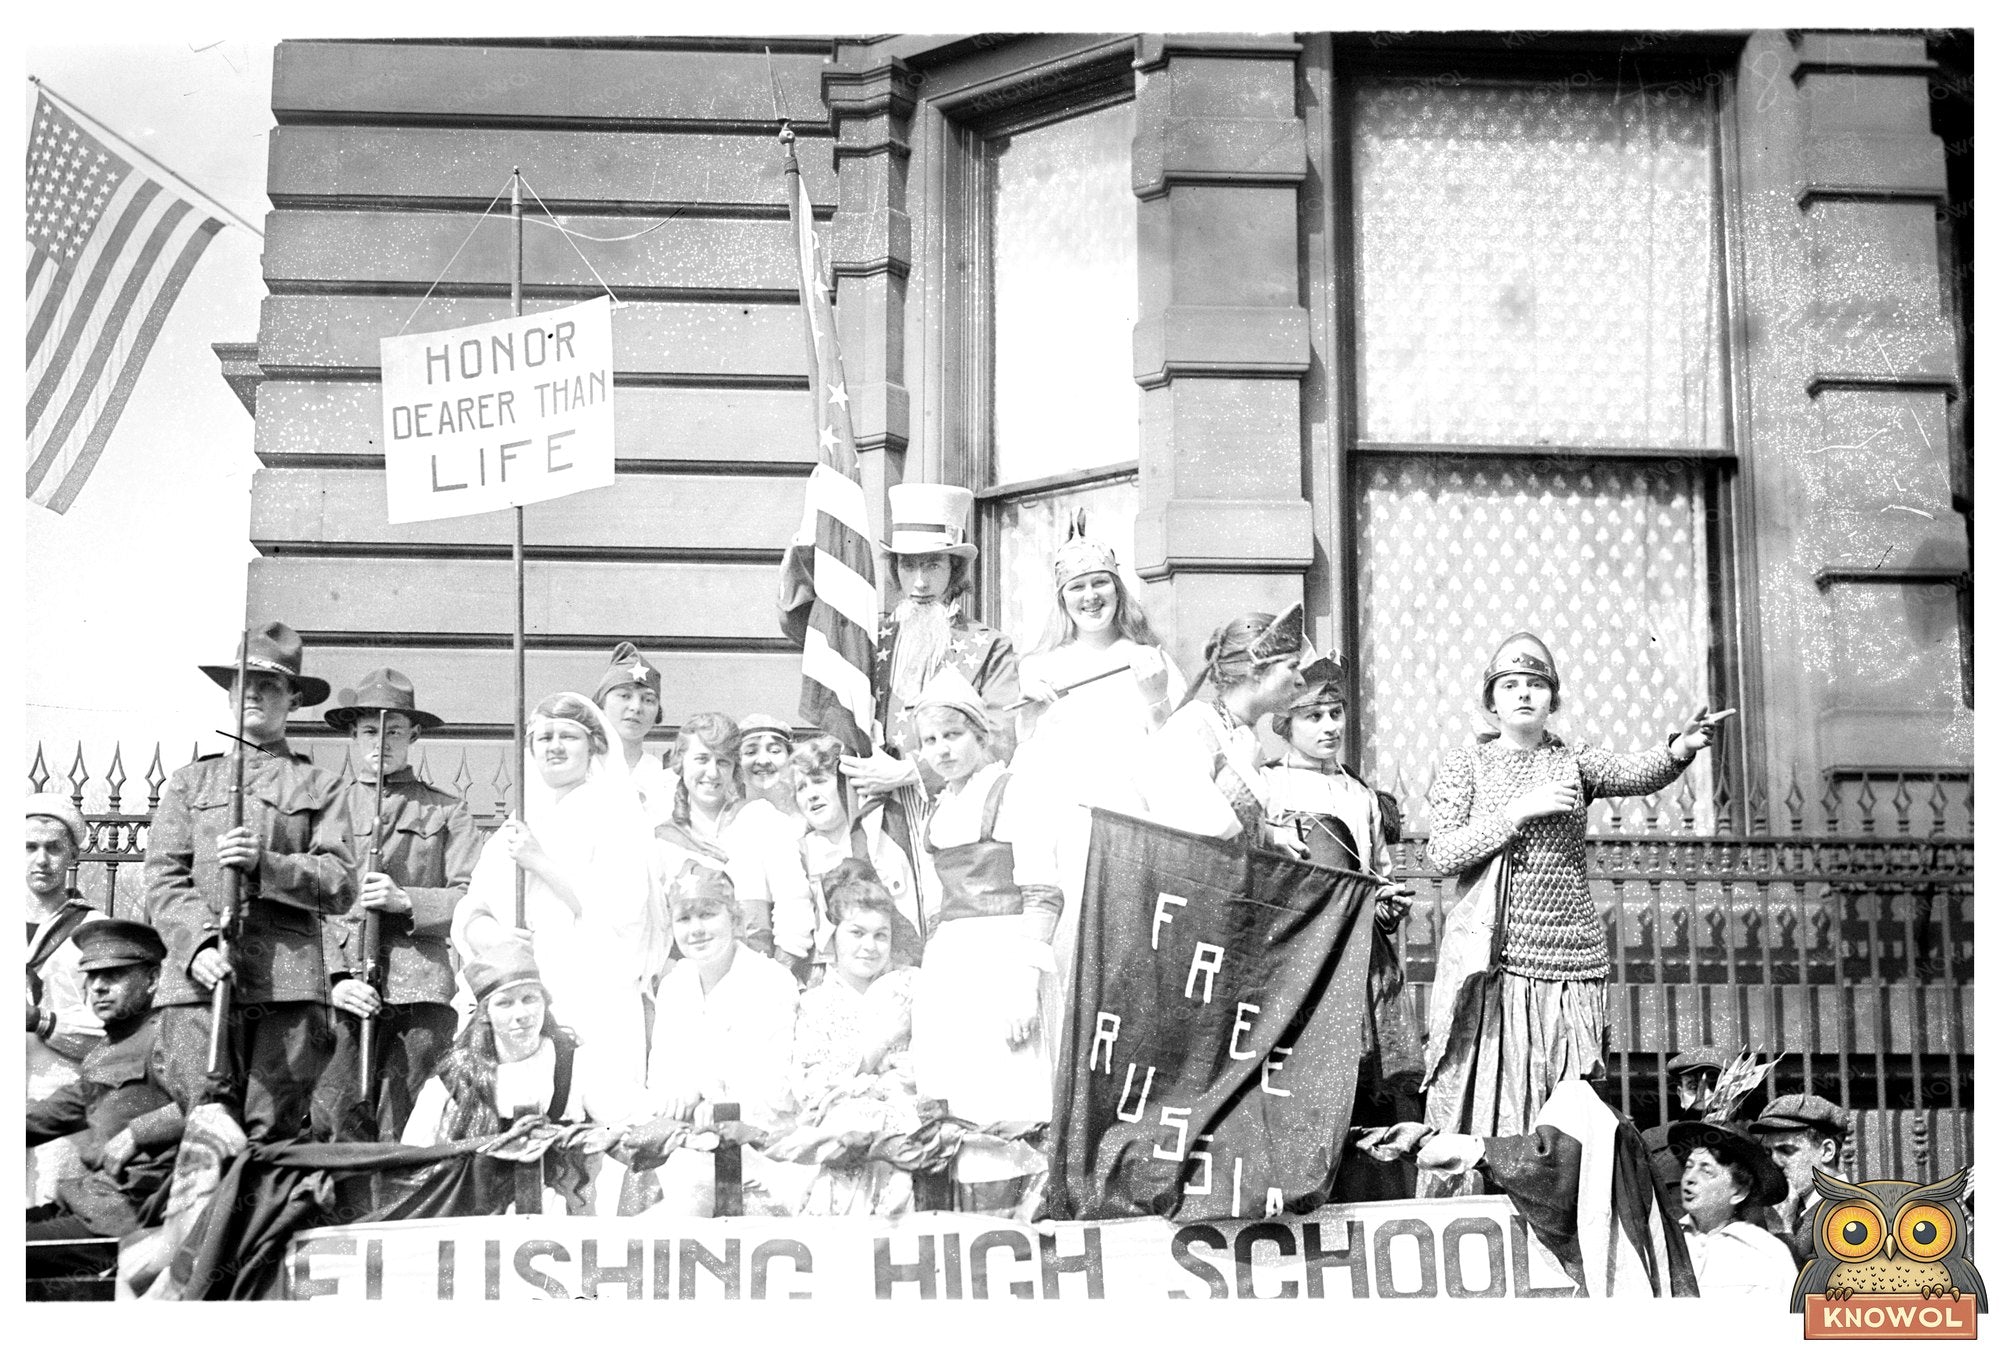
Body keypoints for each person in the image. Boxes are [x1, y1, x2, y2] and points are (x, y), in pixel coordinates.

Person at [1421, 631, 1731, 1188]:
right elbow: (1442, 852)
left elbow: (1635, 772)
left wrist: (1680, 749)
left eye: (1536, 685)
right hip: (1495, 960)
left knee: (1562, 1103)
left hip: (1570, 959)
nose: (1523, 695)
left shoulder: (1574, 759)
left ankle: (1560, 1212)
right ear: (1491, 703)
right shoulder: (1468, 764)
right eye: (1510, 686)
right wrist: (1518, 811)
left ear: (1552, 699)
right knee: (1493, 1094)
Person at [144, 621, 355, 1142]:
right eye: (243, 683)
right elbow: (162, 876)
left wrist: (269, 864)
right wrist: (197, 946)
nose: (254, 694)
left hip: (287, 986)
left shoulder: (319, 785)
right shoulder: (191, 782)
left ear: (294, 700)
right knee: (203, 1130)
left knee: (269, 1136)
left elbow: (340, 879)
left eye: (271, 685)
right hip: (198, 985)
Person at [1008, 515, 1184, 1044]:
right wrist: (1032, 710)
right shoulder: (1041, 667)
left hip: (1133, 826)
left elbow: (1175, 754)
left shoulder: (1148, 659)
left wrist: (1155, 696)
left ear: (1118, 590)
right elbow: (1028, 765)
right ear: (1062, 601)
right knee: (1069, 956)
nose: (1090, 597)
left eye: (1100, 584)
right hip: (1069, 833)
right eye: (1077, 588)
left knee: (1133, 959)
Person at [452, 693, 659, 1129]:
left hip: (590, 991)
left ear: (594, 747)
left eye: (568, 736)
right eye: (544, 737)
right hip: (523, 992)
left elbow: (625, 913)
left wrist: (541, 862)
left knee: (598, 1116)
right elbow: (475, 905)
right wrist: (491, 936)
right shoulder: (520, 818)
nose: (555, 746)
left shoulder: (615, 815)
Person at [1261, 654, 1421, 1198]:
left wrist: (1386, 903)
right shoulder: (1268, 788)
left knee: (1367, 1082)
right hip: (1301, 955)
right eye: (1313, 717)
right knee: (1304, 1076)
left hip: (1362, 955)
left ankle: (1368, 1193)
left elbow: (1379, 871)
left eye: (1335, 713)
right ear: (1285, 724)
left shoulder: (1361, 795)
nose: (1330, 726)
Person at [907, 670, 1063, 1213]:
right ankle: (969, 1231)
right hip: (953, 963)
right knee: (957, 1097)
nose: (941, 750)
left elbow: (1043, 895)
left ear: (980, 734)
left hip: (1004, 958)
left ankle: (1016, 1223)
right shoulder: (941, 806)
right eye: (929, 740)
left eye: (953, 735)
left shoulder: (1012, 790)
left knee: (1007, 1095)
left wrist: (1023, 985)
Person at [838, 484, 1021, 917]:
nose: (919, 582)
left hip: (954, 811)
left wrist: (911, 771)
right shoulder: (871, 638)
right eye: (908, 566)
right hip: (877, 815)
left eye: (933, 565)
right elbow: (809, 634)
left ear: (954, 569)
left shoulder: (988, 647)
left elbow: (1000, 738)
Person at [313, 669, 480, 1142]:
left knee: (407, 1113)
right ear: (353, 734)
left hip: (418, 989)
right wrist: (334, 980)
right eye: (369, 731)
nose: (381, 742)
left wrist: (405, 899)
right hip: (345, 987)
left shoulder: (446, 810)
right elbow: (304, 902)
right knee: (333, 1112)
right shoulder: (326, 808)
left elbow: (473, 898)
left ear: (414, 736)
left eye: (394, 732)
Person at [630, 863, 800, 1215]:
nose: (696, 930)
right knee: (629, 1186)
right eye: (684, 919)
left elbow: (774, 1089)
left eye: (708, 914)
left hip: (761, 1150)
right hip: (690, 1144)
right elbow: (662, 1078)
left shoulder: (771, 981)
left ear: (734, 919)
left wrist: (703, 1093)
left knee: (683, 1199)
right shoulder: (676, 986)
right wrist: (678, 1098)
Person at [26, 920, 186, 1277]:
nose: (97, 986)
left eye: (113, 975)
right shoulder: (103, 1052)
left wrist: (137, 1133)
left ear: (153, 979)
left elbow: (214, 1105)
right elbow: (49, 1114)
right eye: (91, 976)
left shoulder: (170, 1036)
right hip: (87, 1206)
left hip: (129, 1221)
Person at [772, 874, 922, 1215]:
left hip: (905, 1122)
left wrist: (919, 1070)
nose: (869, 946)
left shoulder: (909, 987)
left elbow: (936, 1055)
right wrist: (880, 1043)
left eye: (880, 936)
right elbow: (812, 1087)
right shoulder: (816, 1003)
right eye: (857, 933)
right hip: (842, 1130)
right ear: (833, 937)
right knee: (849, 1137)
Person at [1140, 603, 1313, 849]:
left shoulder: (1241, 734)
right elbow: (1191, 832)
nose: (1301, 681)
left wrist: (1271, 836)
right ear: (1256, 671)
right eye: (1292, 667)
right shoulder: (1191, 729)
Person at [654, 712, 813, 975]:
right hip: (689, 985)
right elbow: (657, 926)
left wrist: (778, 975)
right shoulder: (662, 838)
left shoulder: (760, 818)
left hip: (760, 978)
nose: (712, 773)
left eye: (723, 762)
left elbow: (793, 903)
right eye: (702, 759)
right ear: (681, 763)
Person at [401, 940, 586, 1145]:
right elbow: (413, 1158)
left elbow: (616, 1131)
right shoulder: (453, 1078)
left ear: (545, 1002)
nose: (521, 1014)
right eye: (504, 1003)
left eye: (529, 999)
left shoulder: (574, 1062)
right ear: (485, 1014)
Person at [789, 734, 922, 976]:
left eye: (820, 781)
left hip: (883, 965)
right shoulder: (797, 852)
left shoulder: (878, 842)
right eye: (801, 788)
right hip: (825, 972)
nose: (811, 795)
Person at [26, 792, 103, 1204]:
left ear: (73, 853)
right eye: (29, 847)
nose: (41, 859)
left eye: (53, 848)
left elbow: (112, 1033)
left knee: (48, 1217)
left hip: (60, 1098)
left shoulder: (95, 930)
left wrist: (41, 1020)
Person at [1670, 1119, 1798, 1297]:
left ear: (1739, 1191)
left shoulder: (1766, 1252)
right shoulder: (1666, 1240)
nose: (1689, 1178)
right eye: (1688, 1167)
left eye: (1706, 1171)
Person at [1748, 1092, 1851, 1265]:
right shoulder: (1792, 1209)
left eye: (1786, 1150)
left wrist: (1781, 1230)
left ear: (1826, 1151)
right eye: (1769, 1152)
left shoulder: (1849, 1213)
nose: (1774, 1162)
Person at [1642, 1046, 1730, 1223]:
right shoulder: (1653, 1141)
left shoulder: (1753, 1139)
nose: (1705, 1097)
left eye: (1714, 1086)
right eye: (1693, 1087)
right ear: (1681, 1096)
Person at [593, 642, 676, 827]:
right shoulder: (580, 767)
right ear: (601, 705)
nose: (636, 707)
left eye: (648, 699)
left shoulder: (666, 779)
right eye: (624, 696)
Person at [739, 714, 801, 818]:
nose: (763, 761)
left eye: (774, 751)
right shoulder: (725, 821)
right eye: (750, 752)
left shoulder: (810, 818)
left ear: (790, 758)